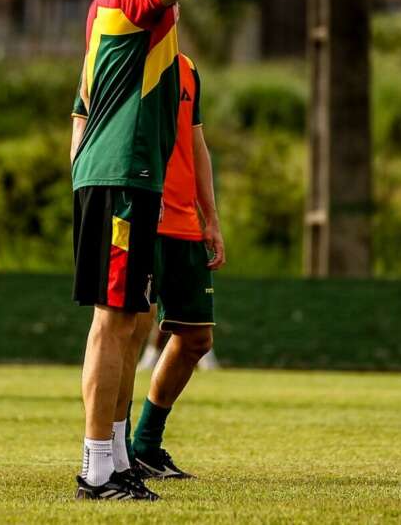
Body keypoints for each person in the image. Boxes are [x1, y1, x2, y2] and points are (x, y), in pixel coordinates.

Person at [70, 0, 316, 501]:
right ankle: (96, 470)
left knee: (132, 324)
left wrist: (83, 160)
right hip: (120, 177)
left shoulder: (148, 21)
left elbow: (80, 107)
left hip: (132, 178)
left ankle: (118, 459)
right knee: (113, 322)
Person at [75, 53, 224, 483]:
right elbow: (81, 127)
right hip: (137, 209)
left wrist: (210, 216)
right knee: (128, 331)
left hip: (184, 223)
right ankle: (112, 454)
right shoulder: (115, 56)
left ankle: (145, 445)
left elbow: (196, 144)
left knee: (196, 338)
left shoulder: (187, 68)